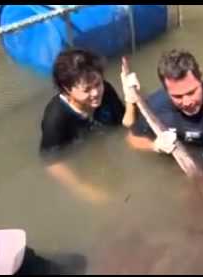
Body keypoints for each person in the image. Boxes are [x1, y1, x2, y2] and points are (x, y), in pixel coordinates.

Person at [39, 48, 140, 203]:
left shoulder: (106, 91)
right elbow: (52, 162)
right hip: (81, 162)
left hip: (109, 156)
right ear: (67, 89)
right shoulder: (55, 117)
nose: (95, 93)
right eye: (86, 89)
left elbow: (124, 125)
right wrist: (82, 189)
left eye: (97, 84)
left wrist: (131, 98)